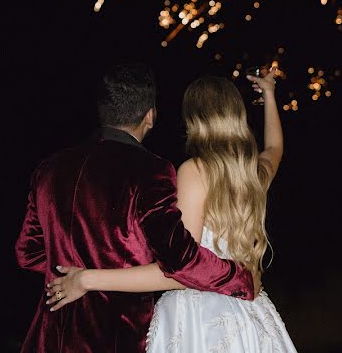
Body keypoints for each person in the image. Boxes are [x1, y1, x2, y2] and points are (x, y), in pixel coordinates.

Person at [48, 69, 296, 352]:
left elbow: (182, 270)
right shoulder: (254, 174)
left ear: (192, 120)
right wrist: (269, 93)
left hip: (199, 320)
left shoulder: (195, 171)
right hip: (250, 313)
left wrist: (87, 279)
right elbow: (275, 147)